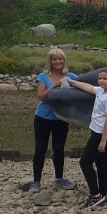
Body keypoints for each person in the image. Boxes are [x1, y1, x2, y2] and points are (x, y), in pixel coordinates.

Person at [68, 67, 107, 209]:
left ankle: (95, 195)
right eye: (100, 78)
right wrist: (72, 82)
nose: (101, 81)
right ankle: (103, 196)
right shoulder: (102, 91)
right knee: (101, 163)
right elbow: (89, 87)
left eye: (105, 79)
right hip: (98, 131)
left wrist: (103, 141)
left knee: (85, 163)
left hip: (103, 134)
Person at [31, 48, 79, 192]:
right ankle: (36, 181)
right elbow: (42, 97)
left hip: (61, 118)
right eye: (55, 59)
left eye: (60, 59)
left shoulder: (71, 76)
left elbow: (83, 88)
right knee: (40, 148)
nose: (58, 62)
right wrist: (54, 86)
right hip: (43, 117)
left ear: (64, 61)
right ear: (50, 61)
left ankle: (59, 178)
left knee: (59, 148)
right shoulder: (43, 76)